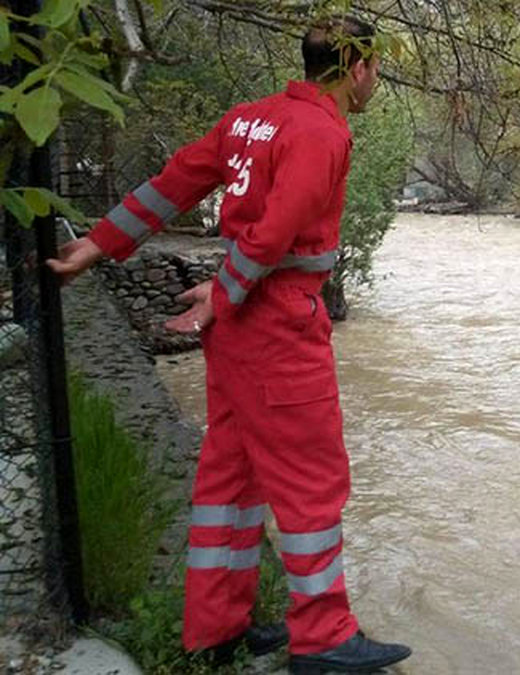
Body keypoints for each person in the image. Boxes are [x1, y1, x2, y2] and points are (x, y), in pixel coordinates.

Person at [48, 15, 411, 674]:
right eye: (376, 69)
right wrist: (226, 289)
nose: (375, 81)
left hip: (237, 333)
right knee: (311, 480)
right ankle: (324, 635)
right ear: (359, 68)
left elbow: (176, 180)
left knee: (231, 476)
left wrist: (100, 241)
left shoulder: (250, 119)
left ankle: (217, 627)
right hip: (276, 323)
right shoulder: (321, 132)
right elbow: (275, 232)